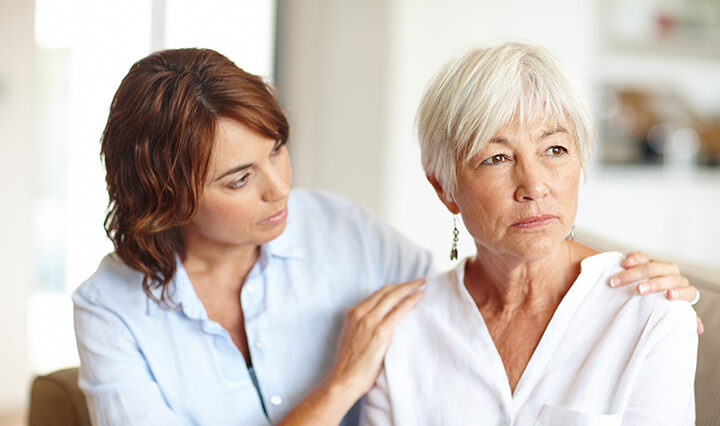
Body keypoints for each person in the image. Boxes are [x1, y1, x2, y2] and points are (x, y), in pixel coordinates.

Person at [72, 48, 699, 426]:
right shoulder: (110, 308)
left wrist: (636, 282)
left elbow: (481, 277)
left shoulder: (343, 233)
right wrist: (341, 383)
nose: (279, 188)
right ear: (169, 198)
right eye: (239, 180)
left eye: (278, 150)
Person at [362, 41, 698, 425]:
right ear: (444, 188)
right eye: (497, 158)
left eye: (554, 150)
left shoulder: (649, 312)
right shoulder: (405, 329)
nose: (534, 185)